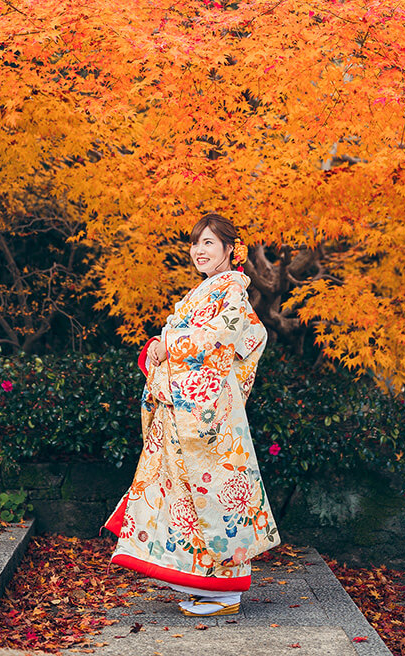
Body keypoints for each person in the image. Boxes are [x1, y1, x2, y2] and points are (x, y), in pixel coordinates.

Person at [105, 213, 279, 617]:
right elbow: (247, 337)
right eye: (196, 243)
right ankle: (206, 586)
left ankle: (226, 592)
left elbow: (225, 339)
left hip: (209, 417)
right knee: (189, 500)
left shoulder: (231, 293)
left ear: (229, 251)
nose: (199, 251)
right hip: (190, 414)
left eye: (209, 244)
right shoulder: (208, 291)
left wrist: (170, 344)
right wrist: (160, 348)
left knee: (215, 498)